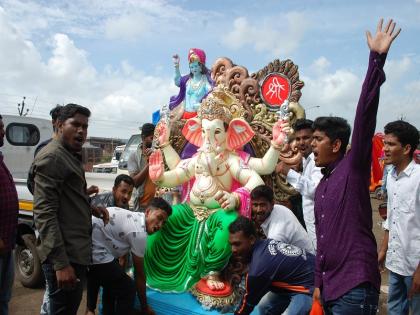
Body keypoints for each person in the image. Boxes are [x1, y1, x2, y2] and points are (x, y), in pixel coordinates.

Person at [310, 19, 400, 314]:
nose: (312, 145)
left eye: (318, 139)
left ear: (336, 145)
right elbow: (322, 240)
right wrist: (318, 283)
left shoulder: (353, 167)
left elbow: (364, 114)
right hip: (331, 287)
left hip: (355, 285)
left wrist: (376, 59)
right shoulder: (322, 185)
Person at [30, 104, 109, 315]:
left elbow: (66, 198)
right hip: (66, 256)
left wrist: (89, 208)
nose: (81, 131)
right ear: (58, 124)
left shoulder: (68, 154)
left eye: (85, 126)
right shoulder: (53, 157)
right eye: (75, 124)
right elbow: (45, 213)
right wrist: (61, 264)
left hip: (74, 252)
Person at [87, 197, 172, 315]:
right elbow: (140, 275)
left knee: (112, 283)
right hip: (92, 248)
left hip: (92, 245)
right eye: (159, 218)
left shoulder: (136, 218)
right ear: (147, 212)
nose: (160, 225)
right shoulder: (139, 232)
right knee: (128, 289)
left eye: (164, 222)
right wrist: (145, 307)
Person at [229, 216, 314, 315]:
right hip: (297, 281)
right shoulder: (265, 243)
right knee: (264, 307)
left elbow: (246, 305)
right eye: (231, 244)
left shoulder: (258, 269)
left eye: (237, 244)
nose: (233, 250)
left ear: (251, 239)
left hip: (312, 287)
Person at [377, 120, 419, 314]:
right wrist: (383, 251)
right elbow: (391, 220)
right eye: (385, 143)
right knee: (395, 309)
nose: (385, 149)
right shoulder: (392, 177)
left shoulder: (418, 178)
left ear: (407, 148)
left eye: (391, 144)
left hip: (415, 265)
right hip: (396, 262)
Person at [85, 174, 134, 315]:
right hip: (91, 250)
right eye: (123, 191)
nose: (126, 196)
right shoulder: (101, 206)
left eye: (129, 193)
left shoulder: (126, 210)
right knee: (121, 286)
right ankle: (90, 308)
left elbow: (123, 238)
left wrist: (121, 264)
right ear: (114, 190)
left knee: (111, 286)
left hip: (108, 254)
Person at [277, 118, 322, 250]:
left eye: (306, 138)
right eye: (298, 139)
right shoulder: (307, 160)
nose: (301, 143)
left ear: (314, 138)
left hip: (320, 226)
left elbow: (315, 190)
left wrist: (288, 172)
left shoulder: (317, 160)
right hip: (311, 226)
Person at [169, 48, 215, 159]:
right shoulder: (187, 80)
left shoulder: (206, 80)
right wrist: (176, 66)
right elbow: (177, 81)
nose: (194, 69)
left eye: (196, 66)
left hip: (199, 116)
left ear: (201, 66)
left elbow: (212, 93)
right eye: (192, 66)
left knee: (196, 142)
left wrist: (203, 104)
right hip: (184, 114)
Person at [250, 185, 314, 254]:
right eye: (255, 205)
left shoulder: (276, 234)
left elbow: (273, 258)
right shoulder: (278, 208)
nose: (258, 210)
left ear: (272, 204)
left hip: (306, 261)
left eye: (262, 205)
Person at [0, 114, 19, 315]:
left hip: (7, 244)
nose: (3, 132)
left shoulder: (1, 160)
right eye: (0, 128)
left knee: (4, 297)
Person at [128, 123, 156, 212]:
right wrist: (150, 163)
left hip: (157, 205)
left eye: (156, 138)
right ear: (143, 138)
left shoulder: (159, 153)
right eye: (152, 138)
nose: (154, 141)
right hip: (142, 205)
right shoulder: (134, 157)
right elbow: (135, 182)